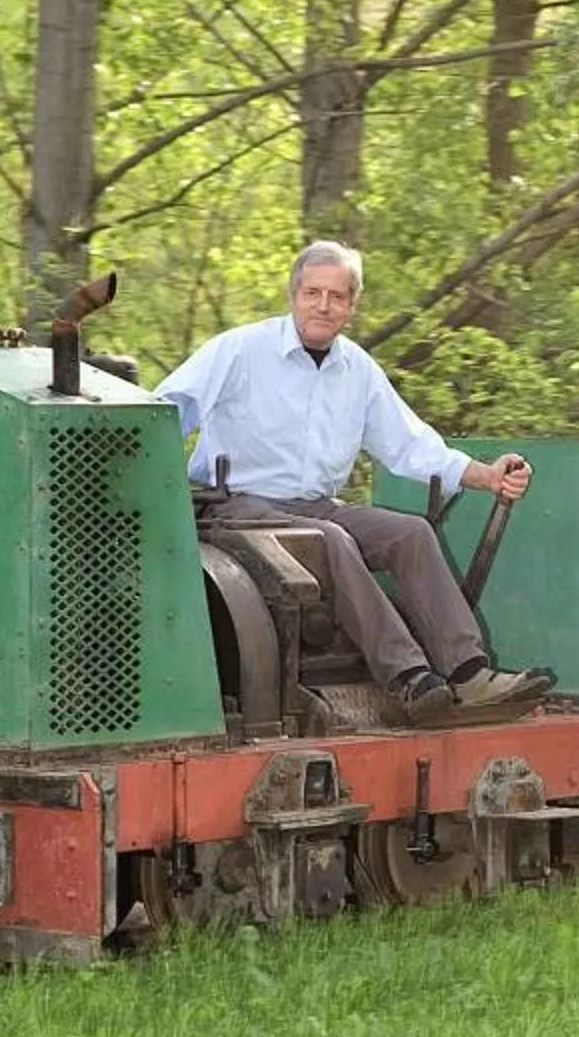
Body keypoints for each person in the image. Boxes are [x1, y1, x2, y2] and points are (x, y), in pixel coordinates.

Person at [161, 240, 553, 723]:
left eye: (337, 296)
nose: (323, 305)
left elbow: (410, 444)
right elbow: (169, 408)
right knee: (331, 540)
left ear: (352, 305)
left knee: (411, 533)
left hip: (314, 504)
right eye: (313, 293)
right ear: (294, 294)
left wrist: (486, 475)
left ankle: (468, 672)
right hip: (236, 506)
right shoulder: (239, 349)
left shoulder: (358, 370)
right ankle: (408, 678)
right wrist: (147, 473)